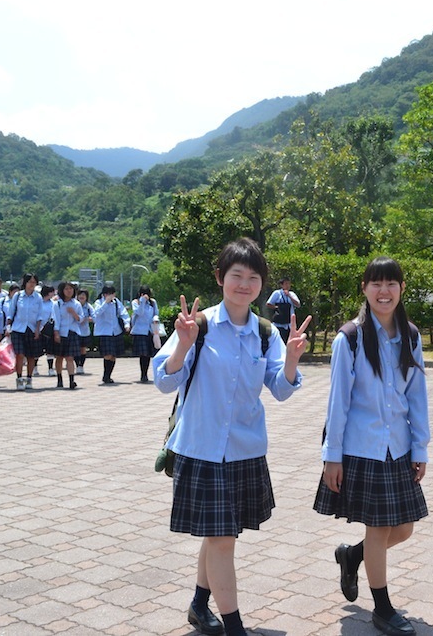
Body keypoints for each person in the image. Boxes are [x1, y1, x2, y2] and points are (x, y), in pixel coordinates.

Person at [152, 237, 311, 636]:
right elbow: (163, 380)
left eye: (253, 277)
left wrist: (291, 361)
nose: (244, 284)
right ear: (221, 278)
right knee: (222, 538)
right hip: (201, 448)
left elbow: (280, 388)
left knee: (220, 535)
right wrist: (182, 347)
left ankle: (198, 605)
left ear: (262, 285)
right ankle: (235, 627)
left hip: (244, 450)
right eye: (236, 275)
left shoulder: (264, 333)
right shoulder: (198, 325)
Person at [314, 256, 430, 636]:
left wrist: (420, 448)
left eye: (392, 283)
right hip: (361, 449)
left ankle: (352, 556)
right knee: (380, 529)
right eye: (376, 284)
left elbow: (418, 397)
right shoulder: (348, 338)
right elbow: (338, 403)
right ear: (364, 288)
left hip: (397, 448)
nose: (384, 291)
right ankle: (382, 608)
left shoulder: (410, 336)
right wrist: (332, 457)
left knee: (405, 528)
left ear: (401, 289)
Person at [6, 273, 45, 391]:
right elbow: (11, 313)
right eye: (30, 282)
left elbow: (40, 315)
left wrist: (38, 330)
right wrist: (8, 327)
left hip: (32, 329)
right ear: (25, 283)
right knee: (20, 354)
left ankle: (29, 378)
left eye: (34, 282)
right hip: (18, 328)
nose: (31, 284)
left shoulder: (38, 297)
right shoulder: (18, 296)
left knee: (31, 355)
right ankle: (19, 378)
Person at [92, 285, 129, 384]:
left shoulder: (116, 302)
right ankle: (105, 375)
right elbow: (97, 313)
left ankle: (108, 375)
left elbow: (123, 313)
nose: (110, 296)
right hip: (105, 332)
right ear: (103, 294)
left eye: (112, 293)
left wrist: (127, 324)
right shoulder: (99, 302)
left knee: (113, 355)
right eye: (107, 293)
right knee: (107, 354)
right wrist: (106, 303)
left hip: (115, 331)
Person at [52, 281, 82, 389]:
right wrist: (56, 333)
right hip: (61, 332)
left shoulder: (76, 304)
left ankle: (71, 380)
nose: (69, 291)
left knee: (70, 357)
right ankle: (59, 379)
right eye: (66, 289)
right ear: (62, 291)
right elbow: (56, 319)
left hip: (72, 332)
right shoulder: (57, 304)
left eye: (71, 289)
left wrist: (73, 313)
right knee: (59, 357)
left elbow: (80, 319)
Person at [130, 285, 160, 383]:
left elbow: (156, 313)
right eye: (142, 293)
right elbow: (139, 312)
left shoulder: (152, 302)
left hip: (150, 330)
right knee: (143, 353)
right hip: (139, 331)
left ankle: (145, 373)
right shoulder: (136, 302)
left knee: (148, 354)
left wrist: (155, 319)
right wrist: (142, 301)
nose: (144, 296)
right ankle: (143, 374)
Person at [266, 277, 301, 344]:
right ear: (281, 285)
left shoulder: (292, 294)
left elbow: (298, 305)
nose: (288, 285)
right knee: (280, 342)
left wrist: (289, 296)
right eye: (286, 284)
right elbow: (268, 304)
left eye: (289, 284)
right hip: (279, 323)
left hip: (290, 323)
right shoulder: (277, 293)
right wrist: (277, 308)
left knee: (289, 342)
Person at [38, 285, 56, 376]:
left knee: (50, 350)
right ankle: (34, 368)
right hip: (37, 328)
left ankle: (50, 368)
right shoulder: (38, 302)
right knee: (36, 349)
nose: (53, 293)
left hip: (48, 329)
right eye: (52, 292)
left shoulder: (52, 303)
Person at [75, 289, 94, 375]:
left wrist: (88, 319)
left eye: (84, 295)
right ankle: (77, 365)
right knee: (76, 349)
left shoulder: (89, 306)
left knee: (83, 349)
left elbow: (94, 317)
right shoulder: (75, 305)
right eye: (80, 295)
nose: (82, 297)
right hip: (75, 330)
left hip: (85, 330)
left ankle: (81, 366)